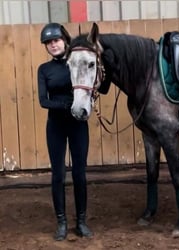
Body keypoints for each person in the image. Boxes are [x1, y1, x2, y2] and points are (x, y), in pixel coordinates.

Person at [37, 23, 93, 241]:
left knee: (80, 174)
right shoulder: (44, 69)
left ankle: (81, 221)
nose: (53, 45)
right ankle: (61, 222)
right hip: (56, 127)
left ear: (65, 41)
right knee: (58, 175)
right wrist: (67, 105)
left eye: (56, 40)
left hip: (78, 125)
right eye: (49, 42)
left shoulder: (75, 62)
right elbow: (43, 101)